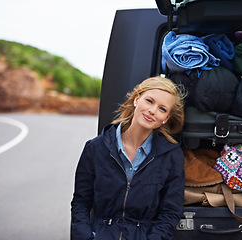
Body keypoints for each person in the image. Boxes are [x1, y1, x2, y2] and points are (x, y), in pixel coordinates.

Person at [71, 76, 186, 240]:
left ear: (166, 119)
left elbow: (170, 213)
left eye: (162, 109)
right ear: (136, 100)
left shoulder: (171, 156)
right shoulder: (95, 148)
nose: (152, 110)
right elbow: (80, 203)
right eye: (149, 101)